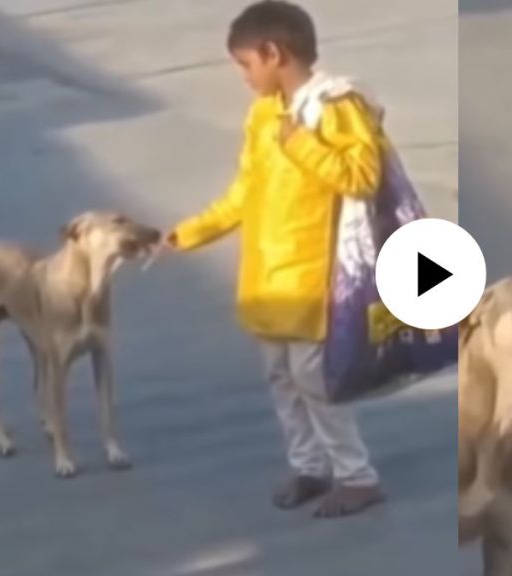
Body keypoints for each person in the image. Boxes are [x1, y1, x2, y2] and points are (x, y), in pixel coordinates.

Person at [166, 0, 386, 518]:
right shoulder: (264, 113)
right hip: (268, 276)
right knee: (281, 379)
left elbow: (364, 177)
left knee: (314, 380)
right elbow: (245, 192)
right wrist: (189, 233)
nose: (244, 76)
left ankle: (356, 475)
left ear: (273, 52)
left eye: (246, 64)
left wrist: (303, 144)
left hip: (316, 276)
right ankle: (309, 466)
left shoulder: (335, 106)